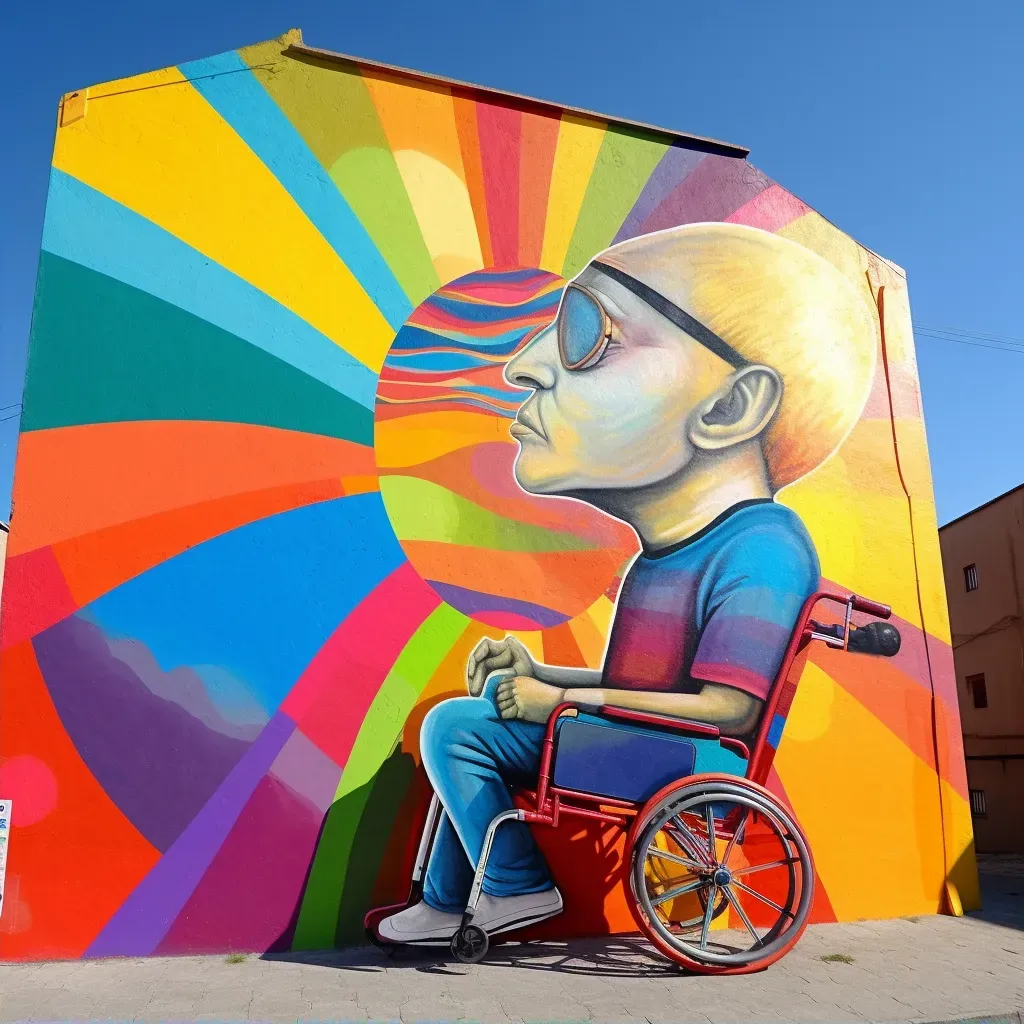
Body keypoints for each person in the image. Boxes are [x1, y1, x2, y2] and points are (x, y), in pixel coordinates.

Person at [378, 221, 877, 944]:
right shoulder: (659, 557)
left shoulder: (764, 549)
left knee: (457, 728)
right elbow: (636, 692)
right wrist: (541, 673)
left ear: (730, 407)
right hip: (644, 740)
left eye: (589, 329)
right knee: (477, 716)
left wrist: (564, 697)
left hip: (686, 756)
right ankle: (451, 901)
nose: (523, 365)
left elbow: (726, 709)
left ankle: (515, 885)